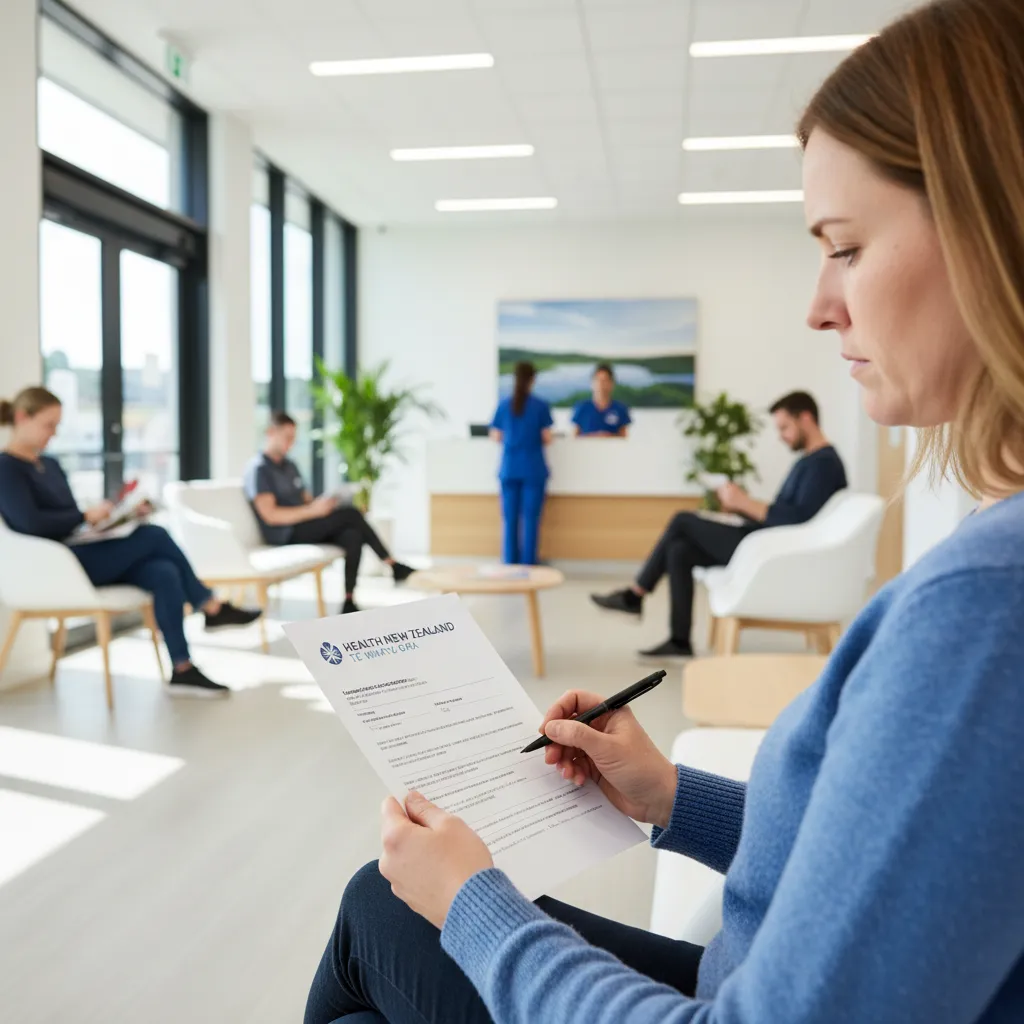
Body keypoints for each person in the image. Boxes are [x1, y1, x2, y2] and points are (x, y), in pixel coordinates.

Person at [304, 1, 1024, 1020]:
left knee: (386, 912)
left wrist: (475, 901)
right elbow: (883, 862)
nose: (818, 304)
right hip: (743, 966)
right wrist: (668, 796)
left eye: (845, 245)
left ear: (993, 226)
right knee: (376, 907)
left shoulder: (986, 606)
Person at [0, 387, 260, 698]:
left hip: (84, 549)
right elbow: (30, 524)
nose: (53, 434)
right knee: (154, 535)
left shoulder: (51, 465)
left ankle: (183, 669)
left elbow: (71, 516)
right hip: (58, 565)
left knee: (163, 571)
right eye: (48, 425)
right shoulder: (6, 468)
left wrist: (112, 517)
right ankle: (211, 605)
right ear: (20, 417)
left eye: (57, 426)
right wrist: (85, 514)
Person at [592, 390, 847, 659]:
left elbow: (796, 522)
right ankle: (680, 641)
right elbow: (786, 513)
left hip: (766, 550)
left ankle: (635, 595)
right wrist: (739, 507)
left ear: (805, 418)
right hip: (764, 541)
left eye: (784, 427)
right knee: (679, 550)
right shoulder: (810, 462)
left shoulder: (823, 464)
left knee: (682, 520)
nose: (781, 435)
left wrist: (745, 503)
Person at [243, 411, 413, 614]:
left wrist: (324, 504)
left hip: (306, 524)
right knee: (351, 514)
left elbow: (306, 500)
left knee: (353, 534)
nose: (291, 443)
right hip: (285, 533)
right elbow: (271, 515)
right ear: (271, 432)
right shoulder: (259, 469)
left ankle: (348, 600)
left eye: (294, 438)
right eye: (287, 437)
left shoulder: (290, 466)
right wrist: (312, 511)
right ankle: (391, 564)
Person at [489, 362, 554, 566]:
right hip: (533, 469)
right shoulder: (540, 406)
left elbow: (496, 435)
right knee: (531, 519)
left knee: (510, 520)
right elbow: (547, 437)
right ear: (533, 379)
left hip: (510, 468)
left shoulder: (504, 404)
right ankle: (529, 563)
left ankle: (510, 562)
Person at [572, 363, 632, 437]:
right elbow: (574, 437)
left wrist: (608, 437)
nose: (601, 384)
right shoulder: (582, 407)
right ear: (592, 383)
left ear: (611, 383)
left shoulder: (620, 408)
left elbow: (624, 438)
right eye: (598, 380)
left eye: (605, 380)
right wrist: (594, 437)